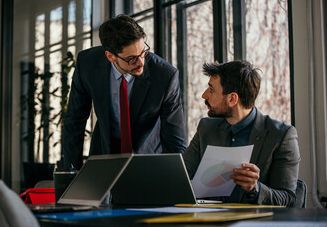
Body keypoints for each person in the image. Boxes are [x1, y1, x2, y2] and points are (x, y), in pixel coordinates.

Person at [62, 14, 186, 170]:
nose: (141, 62)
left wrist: (177, 181)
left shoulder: (165, 76)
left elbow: (175, 140)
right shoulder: (88, 64)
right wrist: (71, 172)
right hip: (103, 155)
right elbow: (74, 121)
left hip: (147, 159)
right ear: (110, 56)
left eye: (143, 52)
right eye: (132, 58)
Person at [183, 60, 300, 206]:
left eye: (211, 89)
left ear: (232, 99)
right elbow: (182, 176)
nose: (204, 95)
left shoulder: (281, 135)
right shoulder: (206, 128)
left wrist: (254, 189)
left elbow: (287, 198)